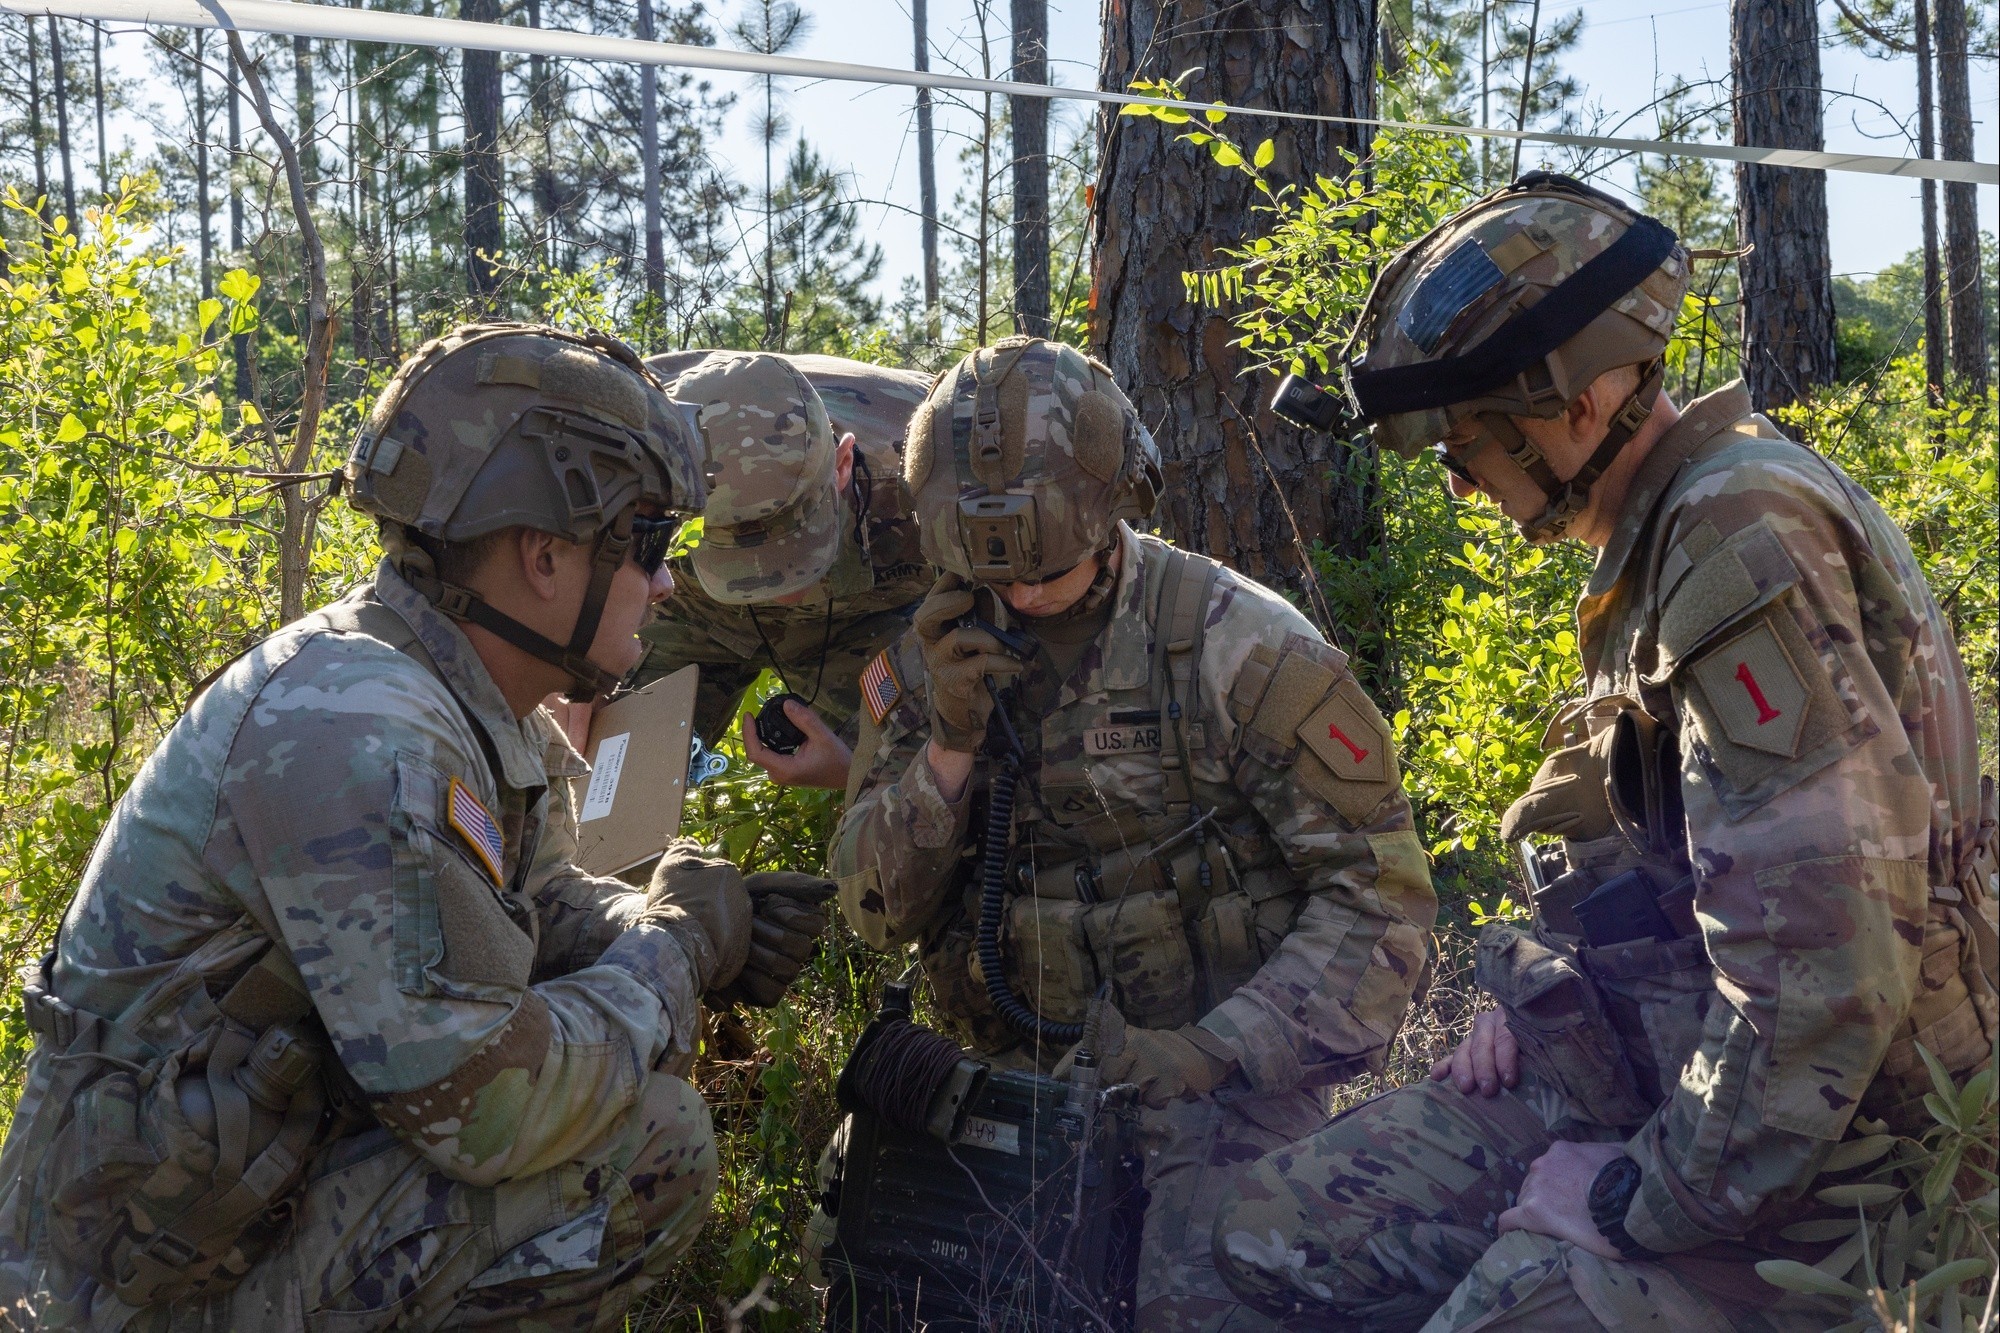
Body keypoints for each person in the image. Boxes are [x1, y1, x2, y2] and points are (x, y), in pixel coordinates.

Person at [1210, 172, 1997, 1331]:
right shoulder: (1666, 534)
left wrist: (1635, 1198)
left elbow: (1823, 968)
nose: (1458, 480)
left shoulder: (1734, 542)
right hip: (1681, 1083)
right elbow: (1647, 845)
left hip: (1843, 1162)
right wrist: (1546, 982)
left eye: (1466, 441)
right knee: (1261, 1234)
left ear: (1570, 405)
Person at [0, 324, 831, 1330]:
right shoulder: (364, 731)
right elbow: (489, 1110)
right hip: (134, 1289)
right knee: (647, 1145)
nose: (666, 584)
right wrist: (677, 950)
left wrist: (661, 917)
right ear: (543, 556)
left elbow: (524, 903)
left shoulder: (447, 681)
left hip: (242, 1194)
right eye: (648, 544)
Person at [824, 336, 1440, 1330]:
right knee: (875, 1276)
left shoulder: (1233, 644)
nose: (1017, 595)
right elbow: (870, 912)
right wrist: (945, 750)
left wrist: (1211, 1050)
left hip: (1219, 1095)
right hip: (1003, 1095)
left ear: (1112, 510)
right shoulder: (929, 662)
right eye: (991, 569)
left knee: (1189, 1295)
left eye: (1046, 566)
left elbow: (1381, 896)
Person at [630, 350, 931, 790]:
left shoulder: (929, 466)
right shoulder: (630, 443)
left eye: (794, 548)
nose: (773, 592)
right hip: (693, 609)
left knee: (922, 775)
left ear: (843, 465)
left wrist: (859, 777)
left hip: (863, 621)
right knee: (613, 769)